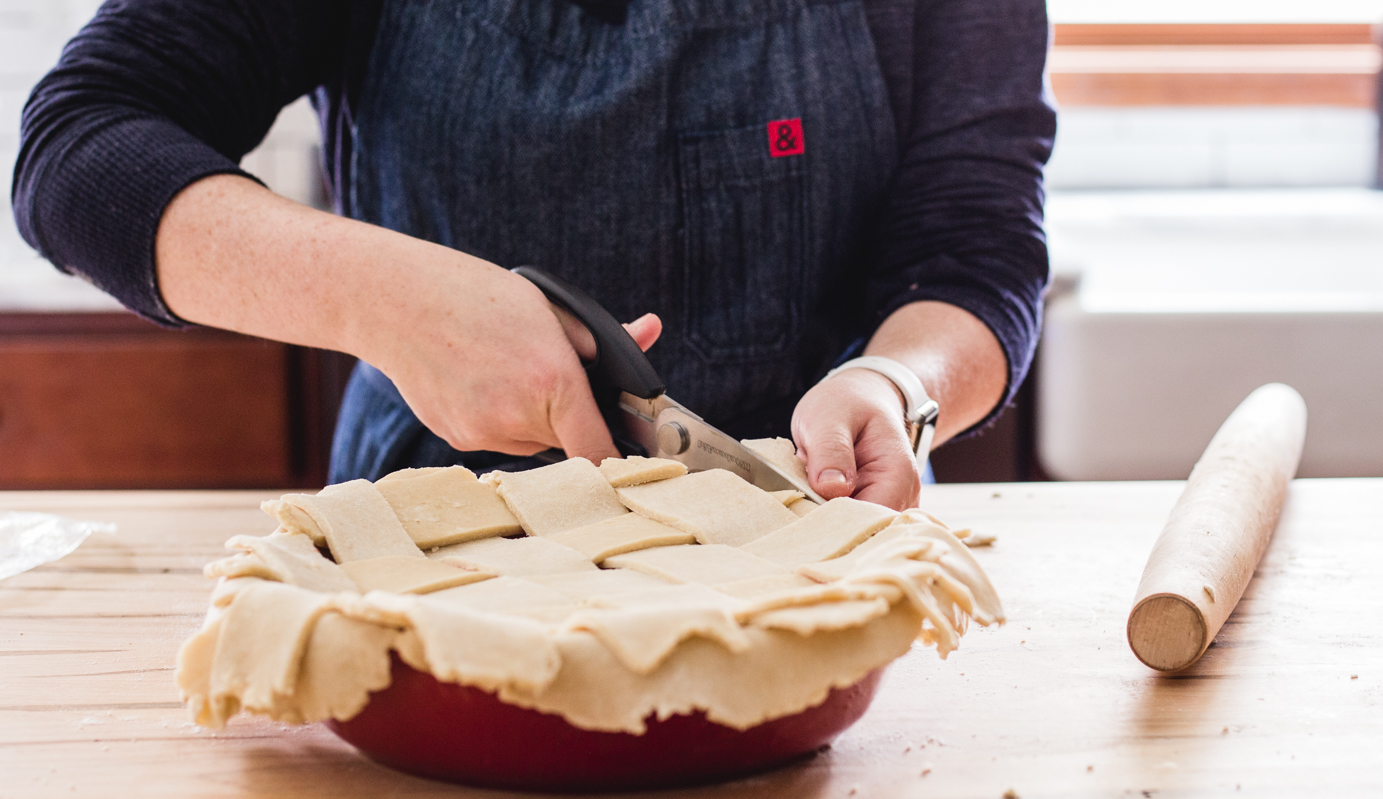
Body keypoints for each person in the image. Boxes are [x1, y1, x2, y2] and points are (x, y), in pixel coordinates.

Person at [13, 0, 1053, 511]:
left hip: (809, 550)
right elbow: (80, 151)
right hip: (422, 574)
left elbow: (974, 244)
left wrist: (899, 384)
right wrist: (392, 299)